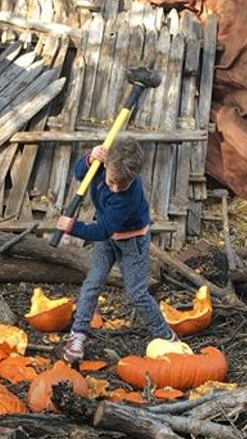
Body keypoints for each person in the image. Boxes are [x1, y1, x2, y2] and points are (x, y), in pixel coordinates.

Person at [57, 137, 175, 363]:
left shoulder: (127, 196)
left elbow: (103, 230)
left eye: (123, 184)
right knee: (93, 282)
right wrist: (90, 158)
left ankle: (167, 337)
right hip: (107, 239)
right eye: (112, 182)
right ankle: (78, 334)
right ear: (106, 163)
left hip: (132, 242)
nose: (116, 188)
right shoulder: (103, 164)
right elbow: (80, 174)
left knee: (136, 292)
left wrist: (73, 227)